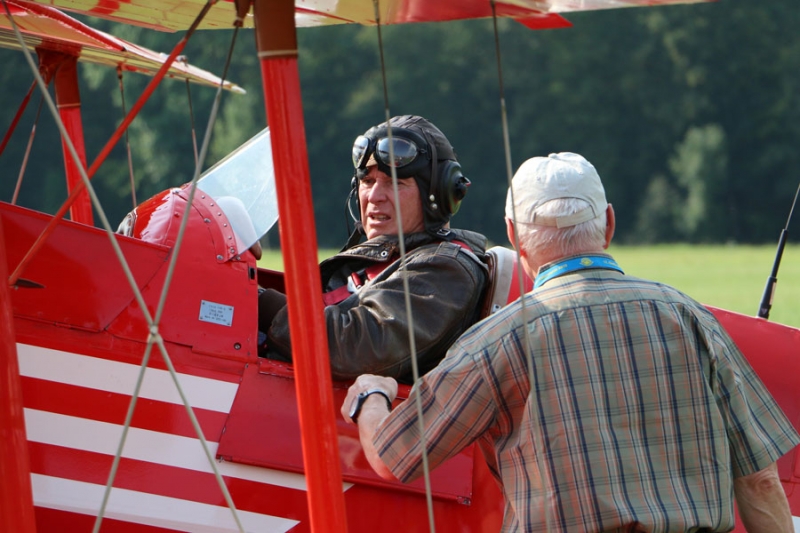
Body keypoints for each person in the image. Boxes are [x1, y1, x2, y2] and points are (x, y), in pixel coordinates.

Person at [342, 152, 800, 532]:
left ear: (513, 234)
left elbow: (393, 456)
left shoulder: (495, 341)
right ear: (608, 223)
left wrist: (371, 395)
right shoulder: (691, 316)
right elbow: (759, 480)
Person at [259, 115, 488, 384]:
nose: (374, 196)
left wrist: (263, 304)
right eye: (367, 181)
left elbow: (358, 349)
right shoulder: (386, 258)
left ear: (438, 193)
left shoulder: (446, 269)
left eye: (394, 182)